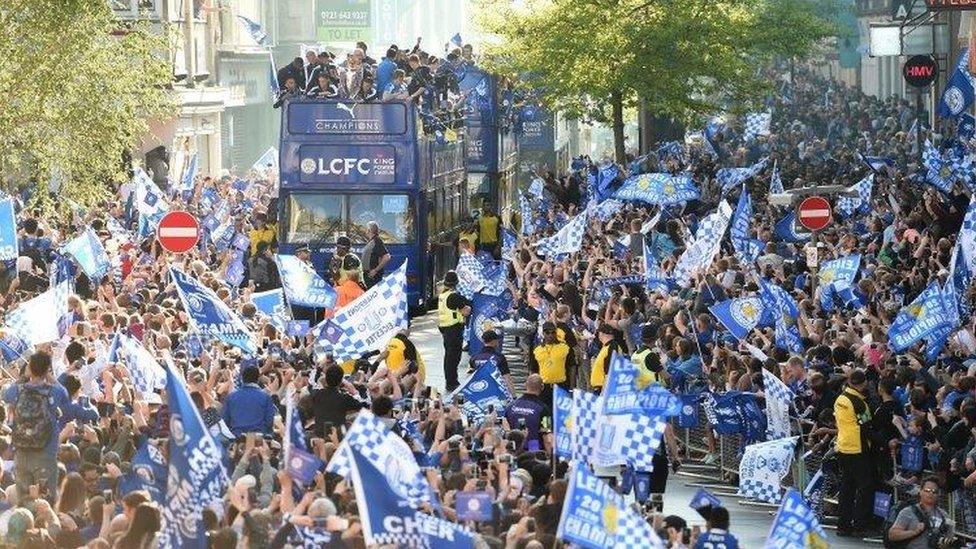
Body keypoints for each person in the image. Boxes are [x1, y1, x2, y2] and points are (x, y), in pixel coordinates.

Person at [3, 350, 96, 502]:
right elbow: (65, 393)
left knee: (24, 500)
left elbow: (6, 395)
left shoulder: (18, 390)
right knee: (46, 500)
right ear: (47, 370)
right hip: (45, 454)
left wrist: (26, 376)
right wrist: (50, 376)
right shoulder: (56, 391)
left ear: (30, 368)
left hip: (21, 452)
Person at [834, 368, 874, 536]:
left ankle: (843, 525)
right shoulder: (860, 403)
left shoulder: (840, 398)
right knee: (865, 488)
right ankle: (860, 525)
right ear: (863, 383)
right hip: (859, 449)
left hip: (843, 446)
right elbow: (867, 427)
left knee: (846, 487)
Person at [887, 477, 954, 549]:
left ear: (938, 495)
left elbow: (949, 538)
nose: (931, 493)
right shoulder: (908, 511)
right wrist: (914, 532)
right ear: (920, 492)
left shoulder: (944, 515)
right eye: (927, 490)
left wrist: (946, 545)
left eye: (935, 491)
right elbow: (892, 535)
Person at [311, 365, 367, 436]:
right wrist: (355, 392)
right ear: (340, 381)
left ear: (326, 379)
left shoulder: (316, 394)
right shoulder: (344, 398)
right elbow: (363, 406)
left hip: (318, 434)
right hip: (337, 437)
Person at [438, 271, 470, 392]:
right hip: (453, 330)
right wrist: (469, 308)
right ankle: (452, 383)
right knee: (453, 358)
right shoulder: (453, 296)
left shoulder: (443, 295)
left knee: (449, 357)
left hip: (446, 330)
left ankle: (451, 381)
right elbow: (465, 311)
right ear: (455, 283)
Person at [221, 367, 277, 437]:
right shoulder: (266, 397)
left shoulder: (231, 397)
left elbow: (224, 420)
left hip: (237, 437)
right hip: (259, 437)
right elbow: (270, 421)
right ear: (258, 379)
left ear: (242, 378)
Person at [504, 374, 551, 451]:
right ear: (542, 387)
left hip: (514, 452)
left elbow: (505, 430)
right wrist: (551, 458)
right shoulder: (544, 410)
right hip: (534, 453)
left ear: (526, 385)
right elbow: (547, 437)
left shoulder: (511, 407)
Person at [533, 322, 571, 404]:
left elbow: (572, 366)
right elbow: (533, 370)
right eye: (547, 332)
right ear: (543, 333)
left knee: (560, 413)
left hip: (561, 385)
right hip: (543, 387)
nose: (550, 335)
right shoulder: (537, 350)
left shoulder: (564, 348)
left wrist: (571, 385)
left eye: (553, 332)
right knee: (545, 413)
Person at [468, 329, 514, 395]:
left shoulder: (474, 358)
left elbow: (469, 379)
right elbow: (507, 378)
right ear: (495, 341)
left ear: (483, 341)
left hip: (478, 392)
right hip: (495, 392)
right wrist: (514, 396)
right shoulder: (499, 358)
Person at [360, 221, 391, 289]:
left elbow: (386, 257)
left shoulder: (377, 241)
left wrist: (375, 270)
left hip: (373, 277)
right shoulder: (372, 241)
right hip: (368, 276)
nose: (365, 231)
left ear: (369, 230)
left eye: (366, 229)